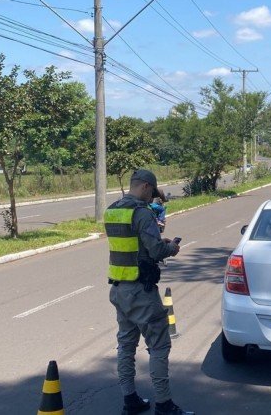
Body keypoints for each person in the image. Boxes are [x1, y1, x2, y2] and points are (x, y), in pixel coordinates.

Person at [104, 169, 193, 415]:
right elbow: (155, 252)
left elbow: (131, 246)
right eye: (151, 192)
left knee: (126, 345)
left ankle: (130, 400)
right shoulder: (141, 212)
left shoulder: (112, 210)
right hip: (141, 292)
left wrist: (155, 245)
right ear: (144, 186)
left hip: (119, 289)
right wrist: (171, 248)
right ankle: (164, 405)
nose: (151, 197)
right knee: (159, 345)